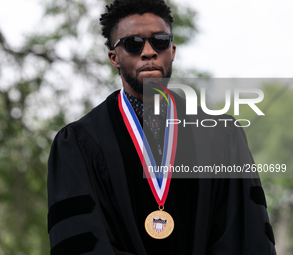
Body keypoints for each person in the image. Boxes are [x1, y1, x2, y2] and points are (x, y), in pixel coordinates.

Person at [47, 0, 277, 254]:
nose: (148, 52)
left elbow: (244, 234)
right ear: (114, 57)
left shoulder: (221, 134)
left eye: (160, 41)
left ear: (173, 51)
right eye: (133, 44)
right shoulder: (79, 143)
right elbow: (81, 242)